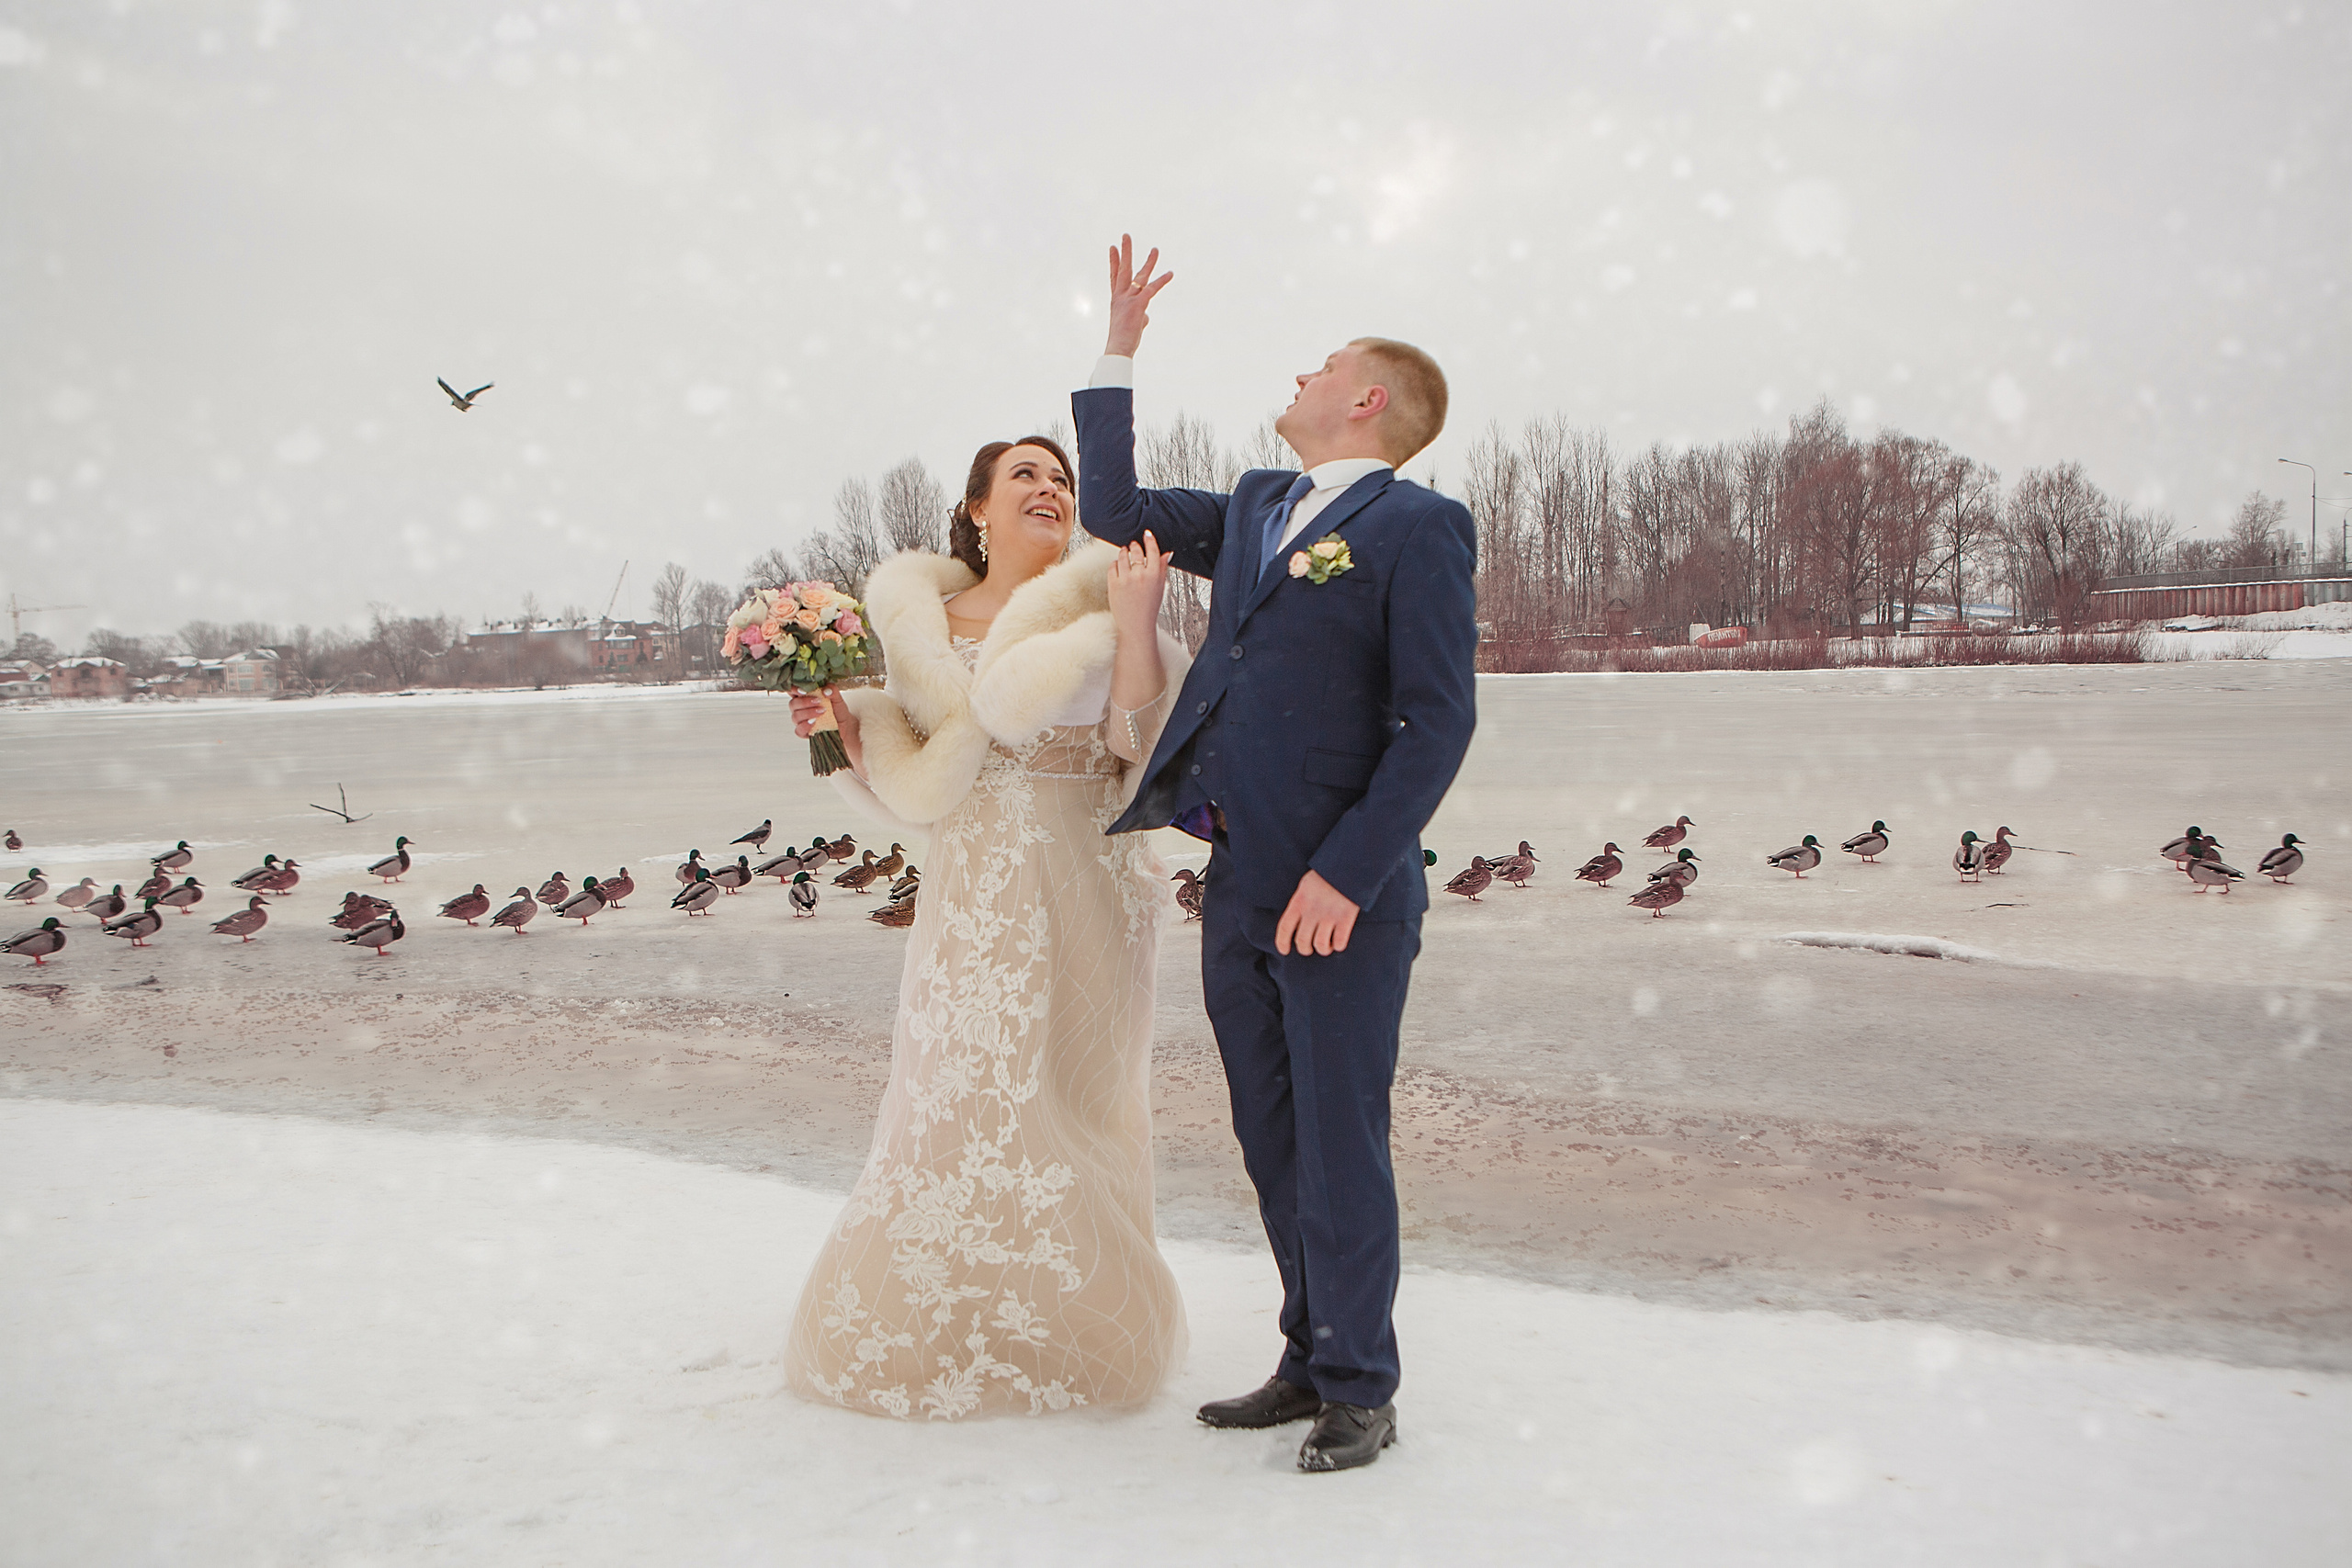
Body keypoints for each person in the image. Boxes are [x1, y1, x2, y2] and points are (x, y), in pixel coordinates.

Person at [1073, 237, 1478, 1472]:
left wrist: (1348, 873)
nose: (1298, 374)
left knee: (1342, 1135)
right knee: (1270, 1132)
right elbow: (1116, 514)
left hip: (1340, 895)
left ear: (1367, 398)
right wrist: (1117, 347)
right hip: (1240, 875)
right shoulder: (1253, 507)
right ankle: (1309, 1352)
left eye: (1324, 364)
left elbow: (1437, 721)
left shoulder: (1420, 526)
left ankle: (1363, 1380)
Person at [777, 434, 1193, 1419]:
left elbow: (1141, 750)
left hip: (1090, 871)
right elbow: (915, 790)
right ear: (978, 510)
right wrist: (836, 730)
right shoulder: (923, 630)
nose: (1049, 490)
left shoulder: (1104, 600)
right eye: (1026, 478)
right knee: (960, 1095)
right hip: (970, 886)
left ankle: (1078, 1336)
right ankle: (941, 1327)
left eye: (1060, 480)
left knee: (1077, 1099)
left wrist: (1134, 627)